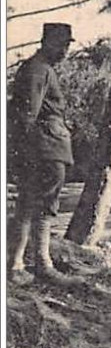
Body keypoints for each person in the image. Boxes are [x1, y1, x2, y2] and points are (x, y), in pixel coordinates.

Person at [8, 23, 76, 279]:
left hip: (47, 146)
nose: (65, 50)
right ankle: (32, 265)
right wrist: (24, 152)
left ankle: (31, 263)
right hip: (44, 148)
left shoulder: (40, 68)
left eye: (67, 45)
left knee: (34, 205)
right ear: (48, 42)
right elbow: (27, 116)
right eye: (62, 44)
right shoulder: (38, 70)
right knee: (40, 205)